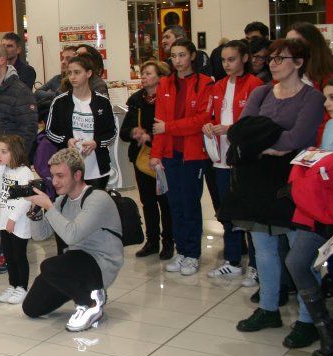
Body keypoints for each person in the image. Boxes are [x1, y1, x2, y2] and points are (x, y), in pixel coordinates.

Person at [223, 38, 324, 334]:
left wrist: (264, 140)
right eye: (271, 59)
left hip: (293, 181)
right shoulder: (261, 91)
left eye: (281, 59)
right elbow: (241, 133)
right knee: (263, 249)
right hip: (257, 179)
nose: (274, 64)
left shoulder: (311, 97)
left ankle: (309, 318)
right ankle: (268, 308)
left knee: (298, 252)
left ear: (299, 62)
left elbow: (299, 139)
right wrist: (273, 142)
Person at [23, 149, 124, 331]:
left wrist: (48, 205)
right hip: (75, 263)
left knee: (49, 265)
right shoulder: (62, 201)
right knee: (31, 307)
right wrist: (36, 210)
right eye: (53, 176)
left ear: (77, 175)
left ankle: (91, 303)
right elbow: (39, 235)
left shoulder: (98, 198)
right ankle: (84, 291)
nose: (54, 182)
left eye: (60, 176)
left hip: (100, 263)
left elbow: (72, 235)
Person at [286, 73, 333, 356]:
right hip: (323, 209)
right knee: (296, 261)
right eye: (325, 97)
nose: (327, 103)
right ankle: (325, 327)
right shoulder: (332, 125)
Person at [150, 39, 212, 276]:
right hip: (169, 154)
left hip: (193, 154)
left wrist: (170, 128)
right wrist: (156, 154)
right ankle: (181, 251)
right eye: (173, 56)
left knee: (190, 205)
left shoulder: (205, 83)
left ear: (193, 56)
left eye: (182, 55)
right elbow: (158, 125)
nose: (177, 61)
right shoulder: (165, 83)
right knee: (174, 205)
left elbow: (201, 120)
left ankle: (193, 254)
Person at [203, 40, 263, 279]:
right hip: (220, 159)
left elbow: (259, 124)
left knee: (249, 212)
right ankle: (233, 259)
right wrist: (208, 125)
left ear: (244, 59)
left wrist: (231, 129)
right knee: (227, 210)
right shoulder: (217, 86)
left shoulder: (256, 86)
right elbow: (209, 115)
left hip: (246, 158)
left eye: (232, 59)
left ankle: (257, 265)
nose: (227, 64)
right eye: (224, 60)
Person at [119, 60, 173, 259]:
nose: (144, 76)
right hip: (141, 159)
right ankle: (152, 241)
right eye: (143, 73)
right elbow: (124, 132)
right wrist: (134, 132)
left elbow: (170, 126)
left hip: (164, 158)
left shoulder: (168, 98)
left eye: (149, 73)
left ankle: (169, 241)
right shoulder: (136, 100)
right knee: (147, 201)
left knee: (165, 201)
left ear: (160, 77)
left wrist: (151, 137)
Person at [45, 55, 116, 190]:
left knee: (95, 207)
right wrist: (67, 141)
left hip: (96, 168)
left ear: (88, 73)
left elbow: (111, 133)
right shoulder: (60, 102)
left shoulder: (102, 101)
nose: (72, 77)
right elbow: (50, 131)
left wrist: (97, 143)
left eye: (77, 73)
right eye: (69, 73)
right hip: (68, 168)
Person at [0, 134, 36, 305]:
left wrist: (13, 218)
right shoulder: (5, 170)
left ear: (15, 152)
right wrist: (0, 168)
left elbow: (26, 199)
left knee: (19, 254)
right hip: (4, 220)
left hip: (18, 222)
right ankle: (13, 285)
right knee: (8, 254)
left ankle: (22, 287)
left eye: (4, 151)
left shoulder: (24, 172)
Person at [0, 42, 37, 154]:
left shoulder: (20, 92)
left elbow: (28, 131)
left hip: (7, 162)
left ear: (1, 60)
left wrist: (11, 157)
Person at [35, 46, 77, 119]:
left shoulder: (78, 81)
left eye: (68, 58)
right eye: (62, 58)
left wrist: (51, 97)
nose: (63, 62)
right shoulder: (56, 78)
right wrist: (54, 95)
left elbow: (65, 100)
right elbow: (37, 92)